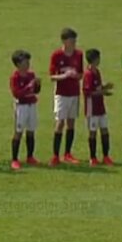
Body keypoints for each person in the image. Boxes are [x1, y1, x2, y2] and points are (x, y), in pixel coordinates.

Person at [49, 28, 83, 165]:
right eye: (71, 40)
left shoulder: (79, 55)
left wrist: (76, 75)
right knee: (60, 122)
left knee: (71, 122)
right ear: (64, 41)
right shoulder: (56, 55)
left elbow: (81, 74)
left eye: (75, 40)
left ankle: (68, 153)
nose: (74, 43)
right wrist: (64, 76)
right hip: (61, 94)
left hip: (74, 92)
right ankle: (55, 155)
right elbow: (52, 76)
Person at [82, 48, 114, 166]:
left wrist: (105, 87)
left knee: (105, 130)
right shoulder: (88, 74)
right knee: (93, 132)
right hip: (92, 109)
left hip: (101, 107)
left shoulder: (97, 72)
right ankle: (93, 157)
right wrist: (103, 93)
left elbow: (98, 88)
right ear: (94, 59)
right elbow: (87, 92)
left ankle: (106, 156)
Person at [9, 50, 40, 170]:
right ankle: (15, 159)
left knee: (31, 130)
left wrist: (37, 85)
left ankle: (30, 156)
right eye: (25, 62)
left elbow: (36, 91)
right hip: (21, 106)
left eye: (28, 61)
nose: (27, 64)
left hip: (32, 104)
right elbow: (16, 94)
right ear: (18, 64)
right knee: (18, 131)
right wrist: (29, 87)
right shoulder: (15, 77)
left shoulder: (31, 75)